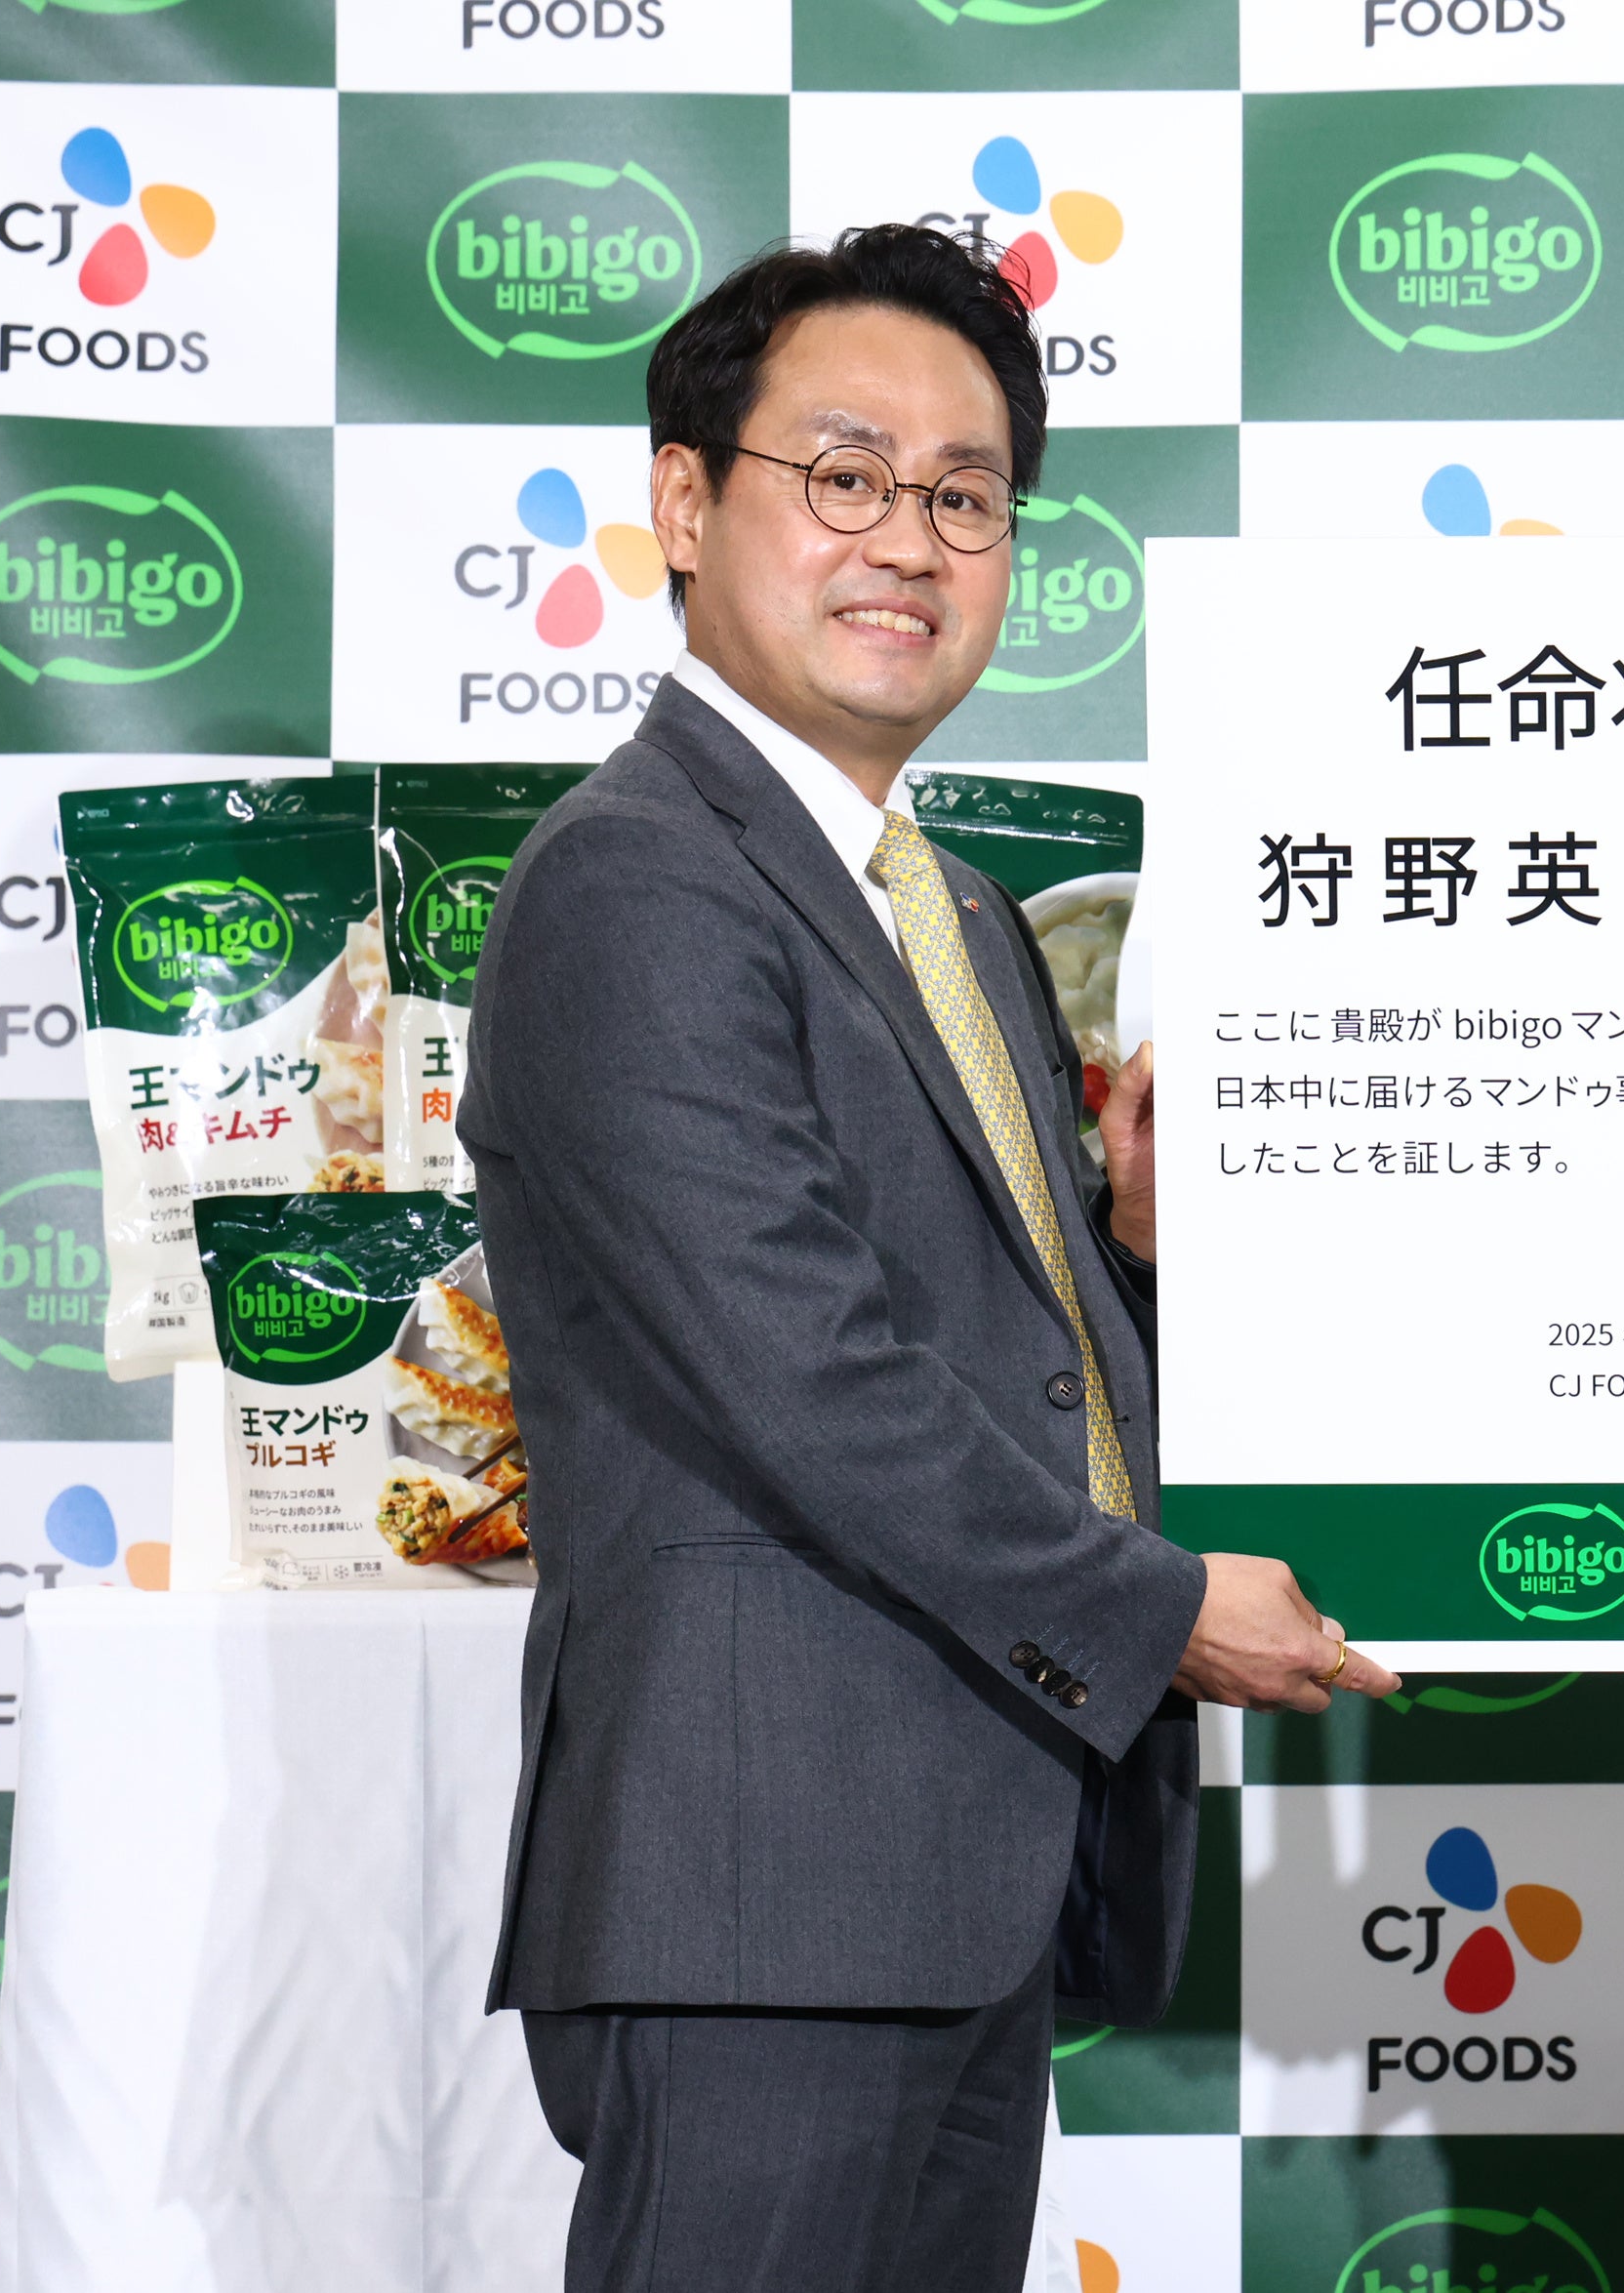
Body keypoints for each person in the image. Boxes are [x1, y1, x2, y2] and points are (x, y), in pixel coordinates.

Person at [460, 224, 1399, 2293]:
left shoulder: (952, 908)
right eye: (845, 474)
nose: (910, 539)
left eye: (967, 496)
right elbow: (808, 1374)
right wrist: (1163, 1610)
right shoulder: (636, 880)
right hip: (762, 1879)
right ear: (685, 502)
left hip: (963, 1857)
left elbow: (1006, 1356)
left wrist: (1130, 1247)